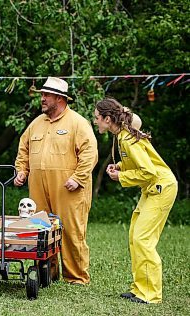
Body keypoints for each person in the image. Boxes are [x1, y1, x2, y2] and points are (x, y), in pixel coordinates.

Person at [13, 77, 98, 285]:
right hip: (38, 187)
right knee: (41, 228)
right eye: (42, 95)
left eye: (46, 95)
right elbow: (23, 148)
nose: (42, 99)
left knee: (71, 231)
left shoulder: (77, 123)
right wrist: (21, 171)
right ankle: (47, 273)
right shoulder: (36, 123)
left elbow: (90, 152)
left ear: (60, 98)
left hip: (69, 188)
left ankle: (76, 277)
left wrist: (78, 178)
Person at [94, 98, 177, 304]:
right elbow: (140, 161)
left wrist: (120, 177)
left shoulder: (126, 138)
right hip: (151, 189)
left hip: (161, 188)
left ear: (107, 118)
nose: (95, 121)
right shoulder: (122, 136)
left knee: (143, 239)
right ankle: (140, 288)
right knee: (134, 235)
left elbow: (148, 171)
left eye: (97, 118)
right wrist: (121, 166)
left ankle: (151, 294)